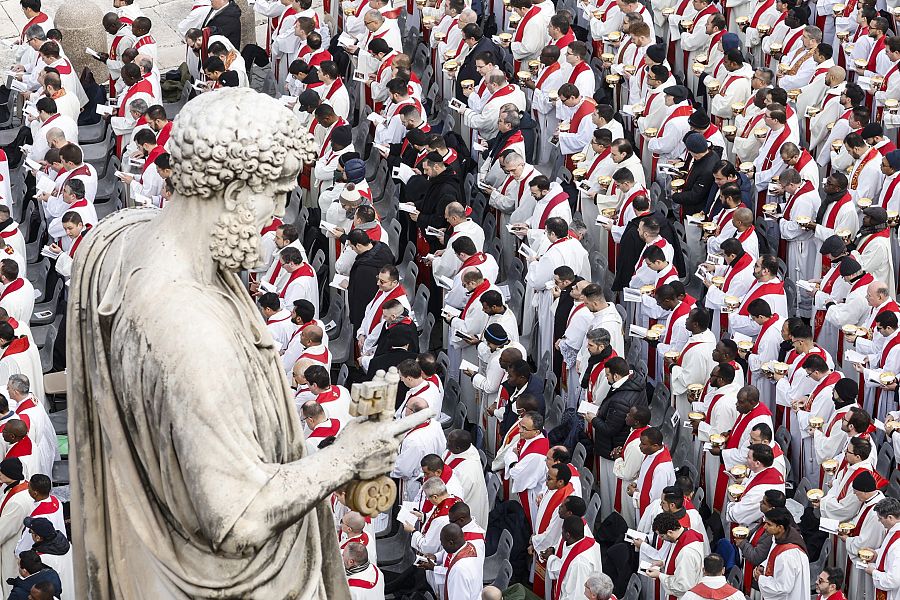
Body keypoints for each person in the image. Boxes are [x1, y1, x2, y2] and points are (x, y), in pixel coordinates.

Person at [755, 507, 811, 600]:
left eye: (769, 524)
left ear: (780, 527)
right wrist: (763, 567)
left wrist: (761, 579)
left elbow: (782, 588)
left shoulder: (787, 556)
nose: (764, 527)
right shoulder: (782, 536)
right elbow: (774, 555)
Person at [545, 516, 603, 600]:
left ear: (568, 535)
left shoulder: (579, 563)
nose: (561, 533)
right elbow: (565, 566)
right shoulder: (589, 542)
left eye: (562, 531)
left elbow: (578, 595)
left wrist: (550, 558)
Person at [867, 497, 900, 600]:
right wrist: (877, 554)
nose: (879, 521)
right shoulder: (893, 530)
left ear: (890, 517)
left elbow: (893, 580)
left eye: (880, 518)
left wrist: (873, 572)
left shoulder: (898, 544)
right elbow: (888, 552)